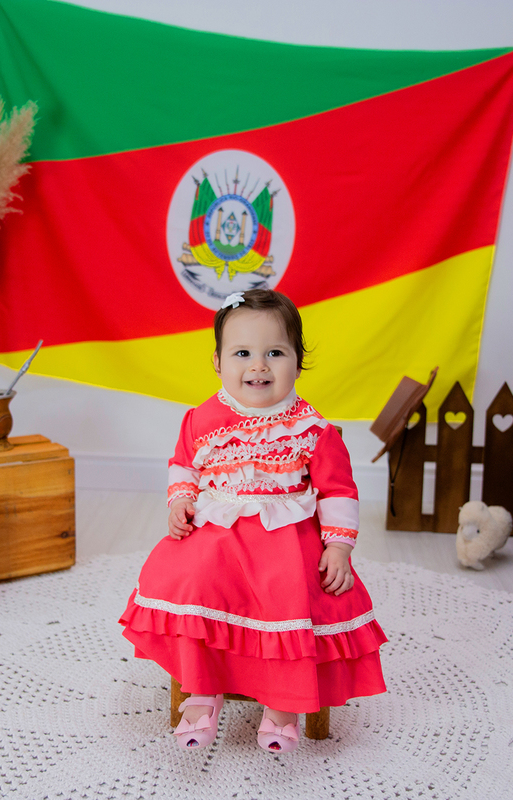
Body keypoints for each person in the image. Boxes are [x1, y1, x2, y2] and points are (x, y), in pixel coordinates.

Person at [119, 289, 387, 754]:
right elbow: (184, 465)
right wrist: (180, 500)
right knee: (193, 580)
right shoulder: (203, 419)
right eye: (242, 353)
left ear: (298, 363)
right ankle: (202, 690)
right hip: (217, 536)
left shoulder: (312, 430)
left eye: (275, 353)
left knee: (289, 595)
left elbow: (339, 490)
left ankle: (283, 703)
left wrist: (338, 547)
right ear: (219, 364)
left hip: (285, 540)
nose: (258, 366)